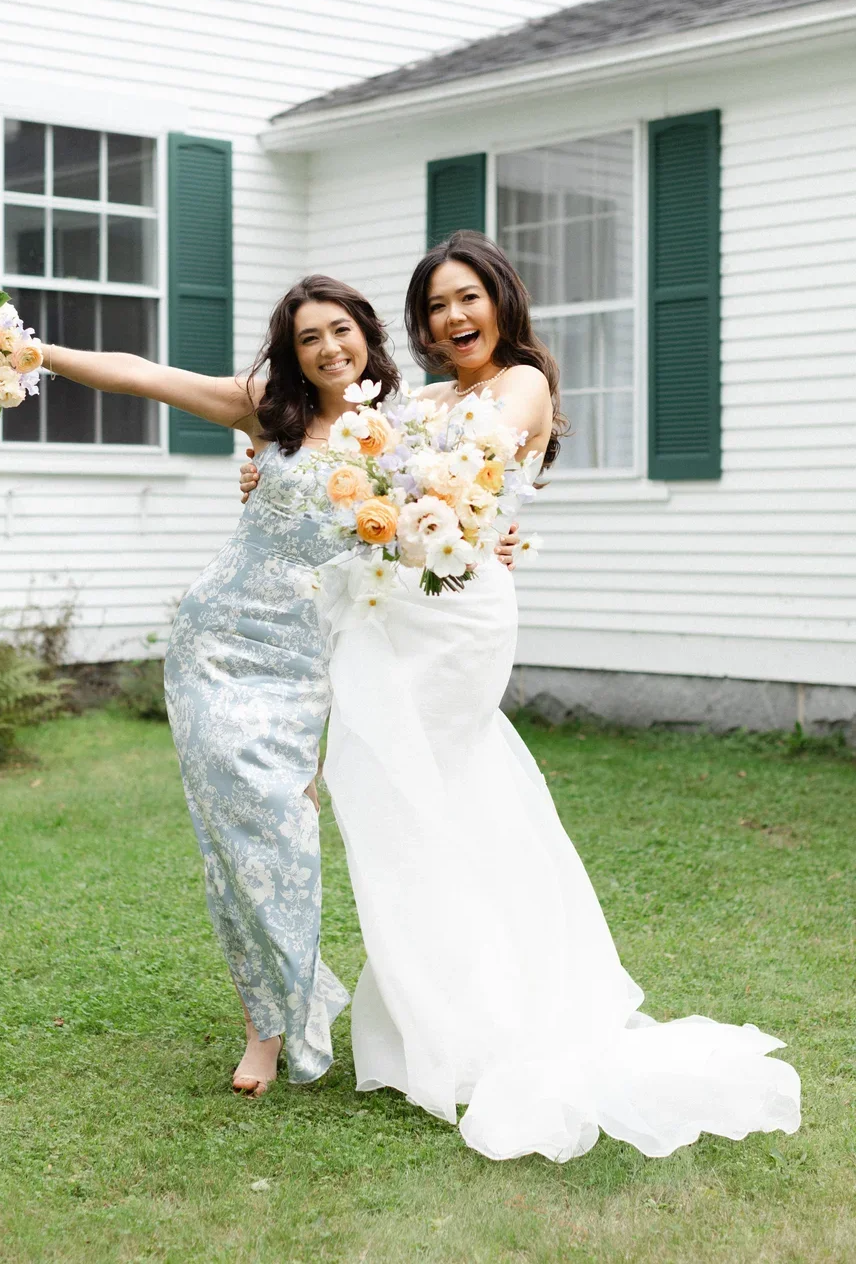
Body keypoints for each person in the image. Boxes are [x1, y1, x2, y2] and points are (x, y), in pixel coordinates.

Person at [239, 233, 801, 1161]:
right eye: (435, 307)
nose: (452, 319)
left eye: (467, 299)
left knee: (418, 795)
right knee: (414, 809)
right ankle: (447, 1010)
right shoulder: (417, 399)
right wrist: (279, 478)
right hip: (392, 614)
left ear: (500, 299)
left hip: (457, 616)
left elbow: (461, 486)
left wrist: (424, 504)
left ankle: (492, 1017)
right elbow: (359, 463)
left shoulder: (521, 384)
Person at [39, 274, 520, 1099]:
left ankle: (302, 999)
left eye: (341, 330)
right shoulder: (270, 413)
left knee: (287, 836)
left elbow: (477, 466)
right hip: (218, 640)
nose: (329, 348)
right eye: (309, 338)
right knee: (236, 833)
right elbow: (143, 374)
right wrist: (34, 352)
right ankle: (264, 1027)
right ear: (292, 354)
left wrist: (484, 541)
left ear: (367, 335)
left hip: (310, 658)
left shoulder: (408, 431)